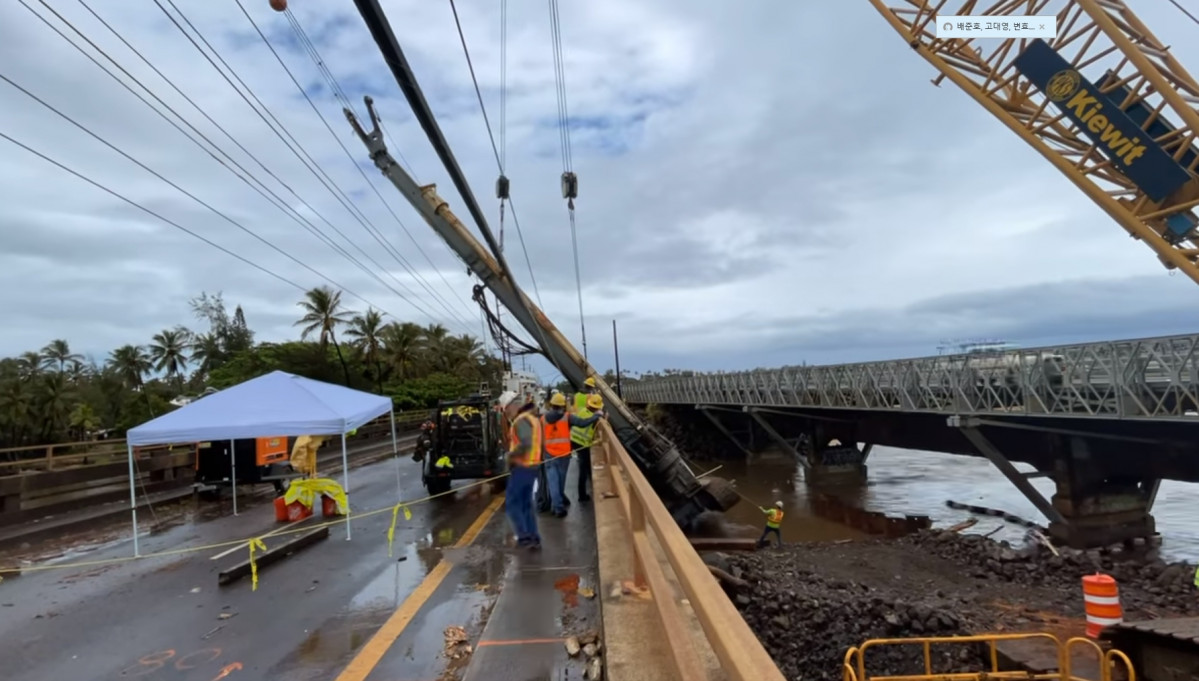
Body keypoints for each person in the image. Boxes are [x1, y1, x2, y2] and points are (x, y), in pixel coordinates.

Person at [542, 392, 602, 517]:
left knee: (552, 482)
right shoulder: (567, 417)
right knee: (560, 482)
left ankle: (556, 507)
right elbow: (583, 423)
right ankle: (557, 507)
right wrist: (596, 417)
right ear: (563, 405)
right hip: (563, 455)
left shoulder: (542, 419)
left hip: (548, 454)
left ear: (552, 404)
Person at [505, 397, 542, 550]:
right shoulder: (533, 419)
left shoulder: (521, 421)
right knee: (526, 504)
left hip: (522, 466)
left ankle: (525, 537)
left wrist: (511, 456)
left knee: (514, 504)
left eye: (506, 409)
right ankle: (533, 537)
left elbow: (526, 442)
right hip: (532, 465)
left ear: (512, 406)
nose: (507, 413)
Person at [570, 393, 605, 502]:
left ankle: (586, 492)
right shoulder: (595, 418)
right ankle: (582, 496)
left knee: (585, 468)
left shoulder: (582, 411)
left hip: (573, 440)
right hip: (583, 444)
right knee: (583, 470)